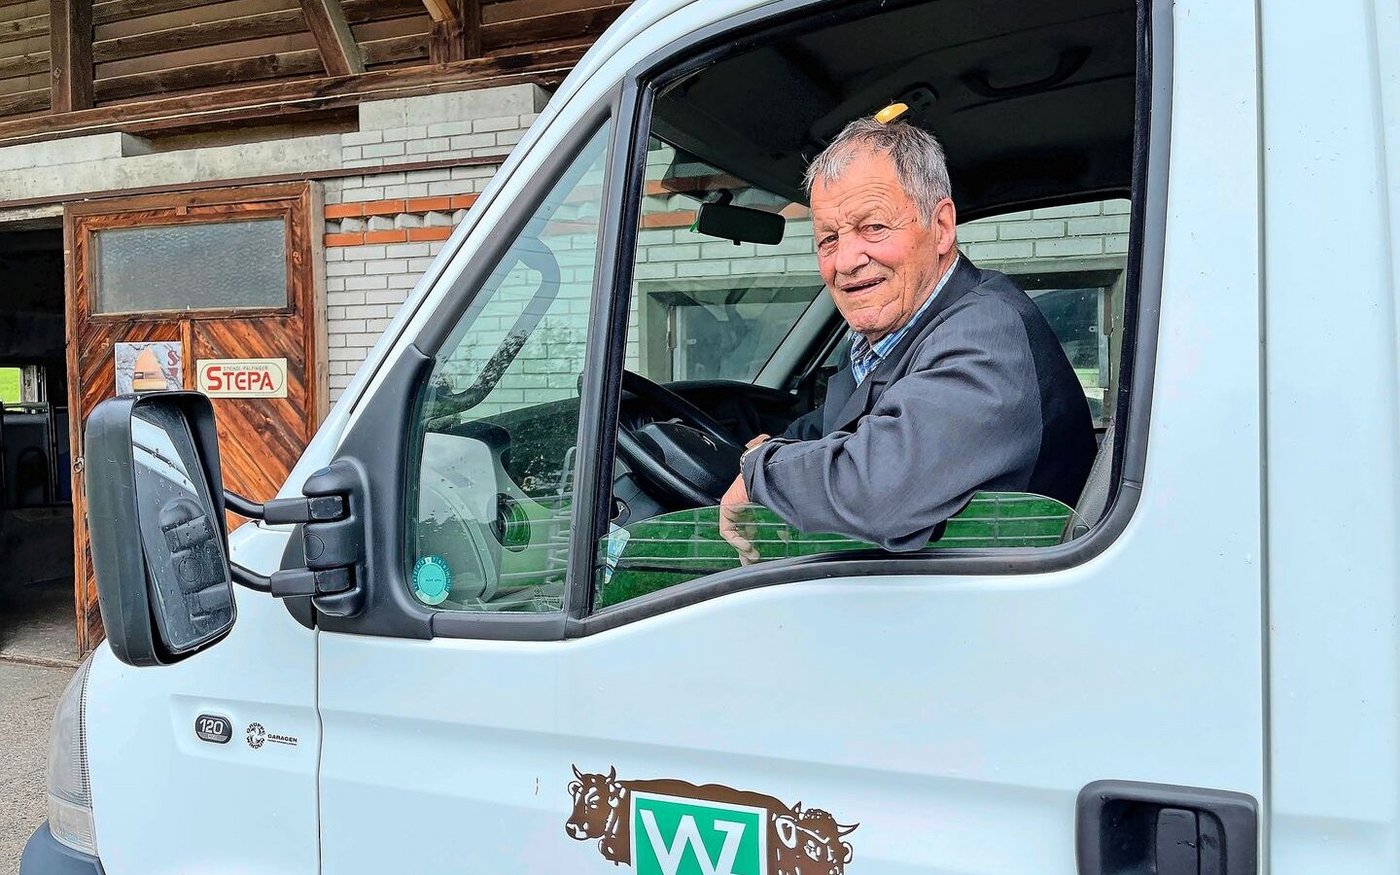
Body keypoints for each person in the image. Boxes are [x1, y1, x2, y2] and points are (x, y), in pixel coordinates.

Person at [719, 117, 1097, 561]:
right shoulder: (889, 336)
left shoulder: (987, 333)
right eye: (828, 239)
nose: (846, 260)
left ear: (940, 227)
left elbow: (880, 489)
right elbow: (833, 424)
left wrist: (761, 470)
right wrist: (777, 446)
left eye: (873, 228)